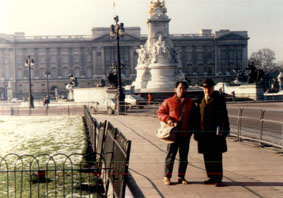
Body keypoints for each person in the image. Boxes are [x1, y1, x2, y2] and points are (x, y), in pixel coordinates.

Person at [157, 81, 197, 185]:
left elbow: (195, 117)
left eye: (184, 88)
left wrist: (192, 130)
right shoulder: (169, 101)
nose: (182, 90)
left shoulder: (190, 102)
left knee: (184, 157)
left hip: (185, 133)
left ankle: (181, 177)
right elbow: (160, 113)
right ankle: (167, 176)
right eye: (180, 88)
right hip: (173, 133)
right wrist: (168, 119)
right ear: (175, 89)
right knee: (170, 155)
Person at [194, 79, 230, 187]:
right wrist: (196, 132)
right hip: (203, 133)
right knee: (207, 156)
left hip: (215, 132)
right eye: (205, 88)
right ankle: (211, 176)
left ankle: (218, 178)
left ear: (212, 88)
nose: (207, 90)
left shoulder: (219, 99)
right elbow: (196, 117)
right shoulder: (199, 99)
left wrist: (224, 130)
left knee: (217, 156)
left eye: (209, 88)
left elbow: (224, 116)